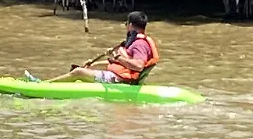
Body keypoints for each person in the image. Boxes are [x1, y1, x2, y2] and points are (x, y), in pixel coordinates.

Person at [25, 11, 159, 84]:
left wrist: (117, 56)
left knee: (78, 73)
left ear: (130, 24)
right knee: (85, 69)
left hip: (122, 80)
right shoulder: (135, 41)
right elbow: (119, 64)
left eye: (126, 24)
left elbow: (138, 66)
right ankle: (57, 82)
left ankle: (42, 85)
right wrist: (92, 64)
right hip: (121, 75)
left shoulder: (139, 44)